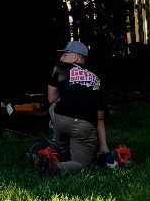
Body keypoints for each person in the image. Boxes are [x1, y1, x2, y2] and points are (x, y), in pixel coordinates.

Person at [42, 39, 107, 175]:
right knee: (81, 164)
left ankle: (57, 152)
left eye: (65, 55)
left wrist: (67, 97)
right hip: (83, 125)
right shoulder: (97, 78)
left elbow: (51, 98)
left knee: (53, 107)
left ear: (75, 57)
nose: (61, 57)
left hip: (61, 120)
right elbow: (99, 117)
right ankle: (56, 167)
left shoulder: (59, 68)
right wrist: (103, 146)